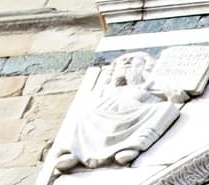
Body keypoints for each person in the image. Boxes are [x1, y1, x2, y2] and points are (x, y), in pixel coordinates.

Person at [54, 52, 183, 171]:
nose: (127, 61)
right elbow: (91, 102)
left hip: (136, 117)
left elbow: (175, 97)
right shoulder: (104, 89)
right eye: (123, 61)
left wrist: (172, 93)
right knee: (82, 114)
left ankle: (132, 146)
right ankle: (72, 151)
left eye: (133, 60)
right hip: (100, 118)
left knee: (167, 109)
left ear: (144, 67)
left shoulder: (149, 86)